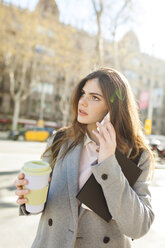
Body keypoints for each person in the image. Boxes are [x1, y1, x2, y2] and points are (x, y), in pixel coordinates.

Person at [14, 67, 155, 248]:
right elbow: (40, 200)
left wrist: (108, 162)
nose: (82, 102)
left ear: (114, 107)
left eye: (95, 97)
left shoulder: (137, 155)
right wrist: (27, 197)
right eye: (83, 93)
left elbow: (138, 227)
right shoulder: (60, 141)